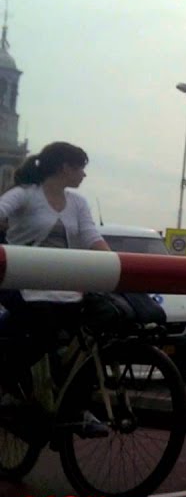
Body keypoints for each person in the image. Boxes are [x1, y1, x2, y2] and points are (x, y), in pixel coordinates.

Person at [0, 141, 111, 436]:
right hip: (23, 283)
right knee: (43, 329)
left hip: (64, 286)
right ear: (65, 167)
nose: (84, 175)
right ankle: (11, 384)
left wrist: (116, 267)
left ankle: (75, 408)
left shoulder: (78, 203)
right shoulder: (25, 195)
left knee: (88, 339)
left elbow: (91, 237)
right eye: (81, 168)